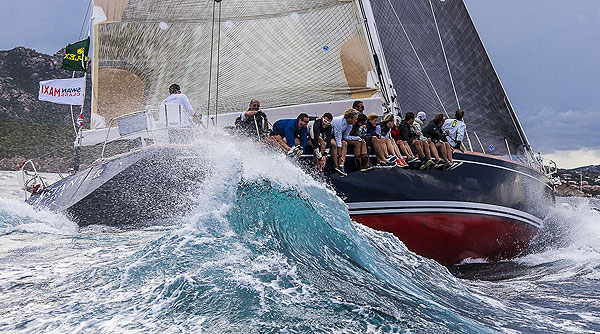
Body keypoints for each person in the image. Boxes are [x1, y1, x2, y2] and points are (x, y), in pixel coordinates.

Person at [331, 109, 373, 175]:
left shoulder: (350, 124)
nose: (356, 121)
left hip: (337, 136)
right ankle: (337, 165)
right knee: (337, 144)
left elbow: (346, 137)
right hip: (328, 135)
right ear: (350, 119)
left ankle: (341, 165)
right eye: (355, 119)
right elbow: (338, 140)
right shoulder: (339, 122)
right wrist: (339, 155)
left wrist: (357, 138)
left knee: (345, 143)